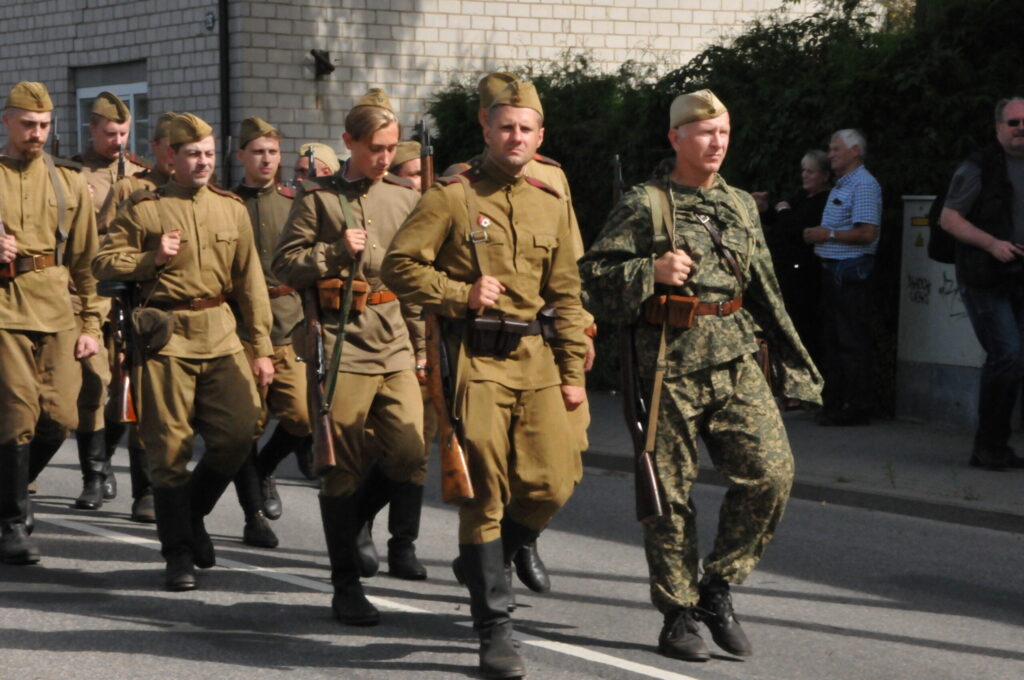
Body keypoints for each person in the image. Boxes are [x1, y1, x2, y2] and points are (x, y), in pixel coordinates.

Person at [578, 89, 821, 663]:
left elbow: (764, 285)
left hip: (735, 357)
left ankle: (718, 584)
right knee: (669, 492)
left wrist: (795, 363)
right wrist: (650, 269)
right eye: (706, 132)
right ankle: (678, 613)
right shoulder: (645, 203)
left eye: (724, 132)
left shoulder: (739, 204)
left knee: (772, 474)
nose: (717, 143)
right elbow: (590, 278)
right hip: (669, 362)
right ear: (676, 138)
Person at [382, 79, 588, 679]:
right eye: (506, 127)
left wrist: (572, 370)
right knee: (485, 494)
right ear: (486, 129)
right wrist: (459, 293)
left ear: (540, 135)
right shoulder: (452, 196)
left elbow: (567, 293)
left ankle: (488, 560)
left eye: (526, 129)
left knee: (554, 482)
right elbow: (399, 266)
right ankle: (495, 629)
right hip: (477, 362)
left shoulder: (551, 198)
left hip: (539, 360)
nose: (515, 137)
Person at [94, 113, 274, 591]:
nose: (203, 162)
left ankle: (190, 514)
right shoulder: (144, 208)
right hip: (166, 338)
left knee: (240, 432)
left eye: (209, 154)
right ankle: (177, 553)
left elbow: (250, 283)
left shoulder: (230, 208)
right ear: (171, 156)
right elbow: (103, 263)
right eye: (193, 154)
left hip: (221, 333)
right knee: (169, 450)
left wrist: (262, 348)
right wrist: (151, 258)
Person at [272, 89, 426, 626]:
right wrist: (335, 251)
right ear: (349, 143)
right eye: (375, 148)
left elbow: (416, 275)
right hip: (341, 342)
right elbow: (285, 265)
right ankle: (345, 585)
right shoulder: (318, 199)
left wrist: (422, 347)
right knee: (340, 465)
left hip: (395, 340)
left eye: (391, 148)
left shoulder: (406, 197)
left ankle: (355, 519)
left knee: (409, 452)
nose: (384, 158)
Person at [0, 81, 102, 565]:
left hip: (58, 310)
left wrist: (92, 325)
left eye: (43, 125)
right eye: (28, 124)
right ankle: (12, 522)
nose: (36, 133)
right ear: (7, 122)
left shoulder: (68, 182)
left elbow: (86, 263)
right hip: (5, 309)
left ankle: (12, 492)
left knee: (62, 417)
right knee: (16, 416)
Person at [229, 117, 313, 548]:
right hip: (242, 327)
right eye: (258, 152)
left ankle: (265, 470)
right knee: (247, 425)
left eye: (273, 152)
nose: (267, 160)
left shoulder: (295, 202)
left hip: (289, 322)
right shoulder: (228, 204)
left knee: (302, 416)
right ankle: (253, 516)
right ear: (241, 155)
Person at [67, 91, 150, 513]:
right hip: (88, 291)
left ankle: (116, 461)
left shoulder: (140, 175)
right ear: (92, 129)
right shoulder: (71, 174)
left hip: (128, 292)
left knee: (126, 387)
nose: (118, 141)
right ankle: (94, 477)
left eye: (123, 133)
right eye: (110, 133)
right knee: (92, 385)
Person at [940, 96, 1024, 470]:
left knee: (1013, 358)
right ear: (998, 127)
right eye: (1014, 122)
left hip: (1019, 275)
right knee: (1007, 354)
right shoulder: (979, 166)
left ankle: (995, 444)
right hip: (984, 275)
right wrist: (992, 244)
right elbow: (949, 219)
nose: (1021, 129)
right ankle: (989, 445)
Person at [803, 129, 881, 426]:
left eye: (836, 149)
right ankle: (837, 403)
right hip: (834, 270)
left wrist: (828, 235)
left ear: (855, 151)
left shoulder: (863, 185)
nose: (831, 154)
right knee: (835, 339)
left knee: (850, 340)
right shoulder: (843, 184)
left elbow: (867, 233)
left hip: (849, 271)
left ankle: (856, 406)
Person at [753, 149, 831, 367]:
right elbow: (781, 226)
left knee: (804, 327)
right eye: (803, 171)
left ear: (825, 175)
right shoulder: (801, 197)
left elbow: (797, 231)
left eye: (811, 172)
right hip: (786, 271)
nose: (805, 175)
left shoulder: (825, 201)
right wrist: (768, 210)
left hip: (804, 276)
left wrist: (784, 212)